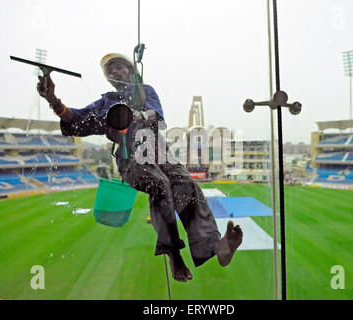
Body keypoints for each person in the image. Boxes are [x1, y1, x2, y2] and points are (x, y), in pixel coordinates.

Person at [37, 53, 243, 282]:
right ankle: (174, 253)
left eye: (119, 67)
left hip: (159, 151)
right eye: (110, 70)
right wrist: (53, 99)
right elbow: (77, 118)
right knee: (160, 184)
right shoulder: (107, 103)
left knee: (188, 184)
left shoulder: (146, 91)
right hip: (131, 157)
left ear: (131, 71)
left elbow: (157, 116)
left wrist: (137, 114)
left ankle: (214, 247)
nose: (114, 72)